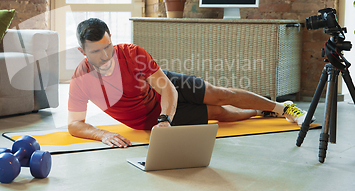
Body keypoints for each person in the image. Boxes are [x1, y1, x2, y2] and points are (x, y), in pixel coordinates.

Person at [68, 18, 312, 148]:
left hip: (166, 90)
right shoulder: (81, 80)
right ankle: (260, 110)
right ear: (82, 51)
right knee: (219, 114)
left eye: (108, 46)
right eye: (97, 51)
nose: (106, 55)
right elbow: (75, 124)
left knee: (220, 93)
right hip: (146, 120)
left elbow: (166, 88)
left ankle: (284, 108)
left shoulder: (131, 53)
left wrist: (166, 119)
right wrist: (102, 134)